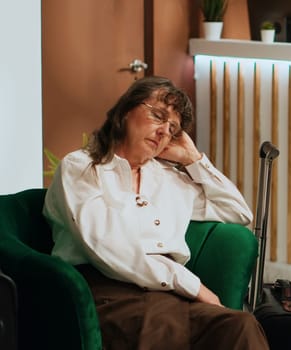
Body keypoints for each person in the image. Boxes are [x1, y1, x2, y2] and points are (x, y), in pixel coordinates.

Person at [43, 76, 269, 350]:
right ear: (126, 111)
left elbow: (237, 211)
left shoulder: (170, 180)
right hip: (106, 294)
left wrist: (193, 159)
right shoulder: (83, 168)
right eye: (157, 116)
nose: (163, 131)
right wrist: (194, 287)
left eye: (172, 128)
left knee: (239, 325)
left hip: (168, 299)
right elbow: (107, 246)